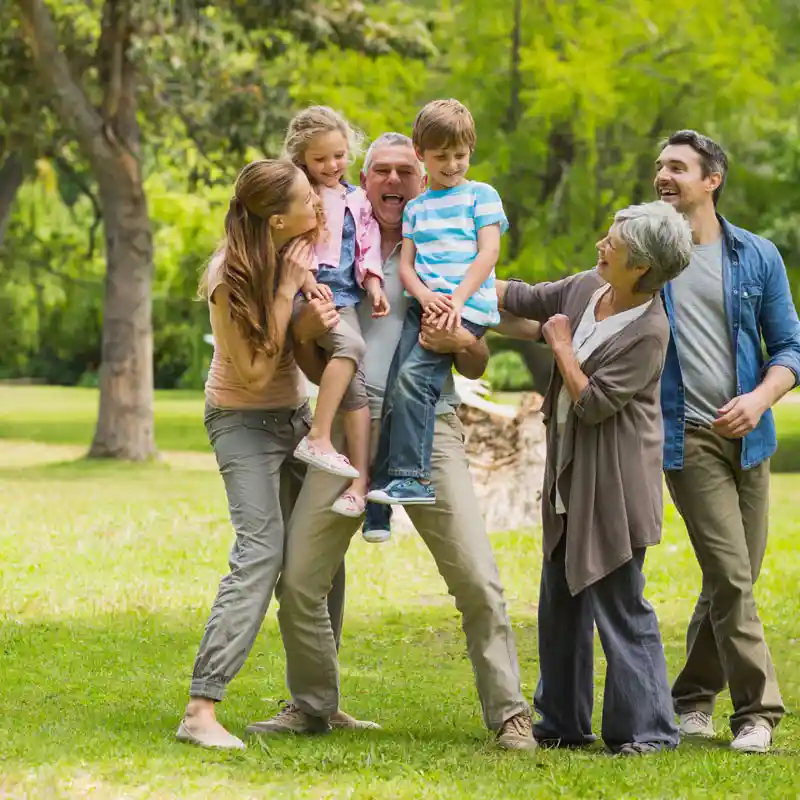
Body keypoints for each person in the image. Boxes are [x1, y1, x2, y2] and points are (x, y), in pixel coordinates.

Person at [242, 132, 540, 751]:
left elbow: (477, 359)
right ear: (364, 178)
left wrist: (461, 342)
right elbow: (308, 360)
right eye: (382, 170)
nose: (395, 180)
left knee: (477, 579)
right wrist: (306, 328)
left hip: (430, 429)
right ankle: (313, 705)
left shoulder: (445, 250)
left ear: (424, 178)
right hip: (348, 430)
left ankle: (510, 714)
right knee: (300, 580)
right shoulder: (331, 249)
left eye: (407, 170)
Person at [497, 201, 692, 755]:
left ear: (642, 267)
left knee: (620, 604)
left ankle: (650, 731)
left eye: (614, 244)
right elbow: (523, 297)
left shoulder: (650, 331)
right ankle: (561, 721)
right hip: (568, 471)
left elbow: (595, 403)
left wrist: (561, 347)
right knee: (559, 596)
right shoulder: (588, 287)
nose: (602, 246)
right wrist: (451, 278)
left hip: (615, 483)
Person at [176, 159, 355, 751]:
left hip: (294, 418)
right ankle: (200, 709)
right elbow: (253, 373)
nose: (318, 203)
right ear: (277, 219)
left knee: (319, 555)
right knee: (260, 552)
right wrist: (284, 292)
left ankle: (318, 703)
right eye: (307, 197)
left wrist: (310, 307)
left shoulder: (296, 252)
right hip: (242, 423)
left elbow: (306, 340)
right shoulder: (228, 275)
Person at [655, 130, 800, 753]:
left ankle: (691, 699)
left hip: (752, 439)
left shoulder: (757, 255)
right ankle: (757, 713)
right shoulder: (648, 252)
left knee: (731, 578)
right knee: (733, 577)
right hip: (688, 437)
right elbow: (588, 299)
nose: (663, 175)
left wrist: (760, 399)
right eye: (660, 165)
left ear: (711, 180)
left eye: (678, 167)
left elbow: (790, 348)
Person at [367, 99, 506, 507]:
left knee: (415, 378)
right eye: (441, 156)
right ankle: (381, 499)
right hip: (427, 305)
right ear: (420, 153)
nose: (452, 165)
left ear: (471, 150)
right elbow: (407, 267)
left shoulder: (481, 196)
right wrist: (426, 296)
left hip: (465, 308)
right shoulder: (417, 208)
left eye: (460, 155)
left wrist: (456, 301)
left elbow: (489, 253)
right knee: (396, 381)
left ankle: (414, 478)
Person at [283, 106, 390, 518]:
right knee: (352, 346)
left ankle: (359, 486)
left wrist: (374, 284)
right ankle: (319, 435)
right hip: (308, 291)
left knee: (356, 391)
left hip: (345, 296)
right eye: (320, 159)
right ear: (301, 159)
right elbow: (291, 244)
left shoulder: (356, 198)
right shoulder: (298, 195)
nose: (332, 165)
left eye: (339, 155)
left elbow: (367, 244)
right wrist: (307, 280)